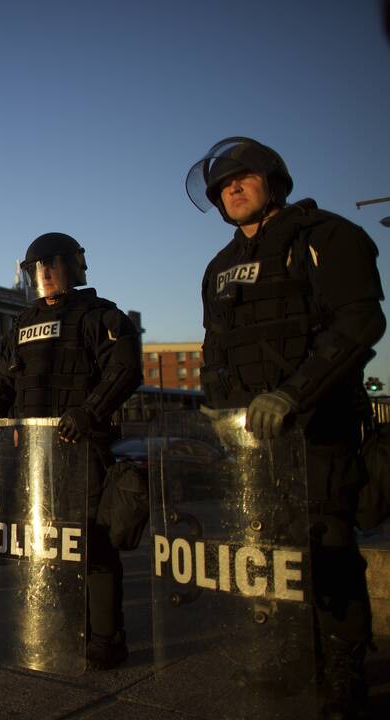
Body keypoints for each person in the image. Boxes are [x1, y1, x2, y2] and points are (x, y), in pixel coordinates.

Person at [188, 137, 385, 717]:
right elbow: (216, 349)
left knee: (327, 544)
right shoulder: (220, 267)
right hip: (253, 441)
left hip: (317, 426)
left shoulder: (325, 236)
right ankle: (287, 652)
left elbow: (360, 322)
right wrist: (215, 407)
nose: (233, 189)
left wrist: (295, 393)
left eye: (243, 178)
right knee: (267, 550)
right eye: (223, 186)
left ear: (272, 180)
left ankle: (344, 663)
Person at [0, 233, 143, 668]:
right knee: (49, 546)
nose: (45, 274)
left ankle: (106, 639)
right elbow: (5, 378)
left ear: (73, 267)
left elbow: (125, 370)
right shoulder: (22, 322)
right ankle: (66, 628)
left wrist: (89, 412)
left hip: (82, 448)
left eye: (53, 265)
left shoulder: (98, 315)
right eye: (37, 269)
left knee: (94, 545)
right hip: (35, 454)